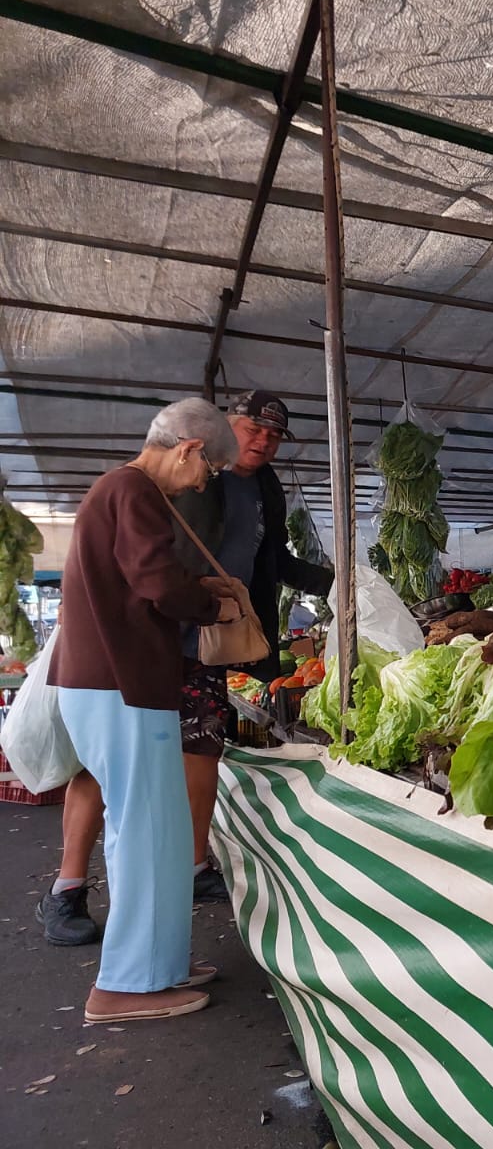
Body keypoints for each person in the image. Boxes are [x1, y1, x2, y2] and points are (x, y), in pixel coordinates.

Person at [37, 391, 335, 948]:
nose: (262, 442)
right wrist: (196, 600)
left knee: (202, 749)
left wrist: (337, 581)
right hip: (145, 640)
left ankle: (195, 867)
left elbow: (275, 562)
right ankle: (67, 888)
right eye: (253, 429)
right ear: (217, 433)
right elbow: (150, 565)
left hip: (209, 642)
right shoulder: (169, 480)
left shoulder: (264, 489)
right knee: (106, 765)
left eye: (274, 436)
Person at [47, 399, 242, 1023]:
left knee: (156, 832)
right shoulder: (132, 490)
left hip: (116, 685)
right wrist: (214, 607)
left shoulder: (118, 490)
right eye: (209, 467)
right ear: (188, 449)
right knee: (145, 833)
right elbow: (157, 582)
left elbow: (143, 582)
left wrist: (197, 592)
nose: (205, 481)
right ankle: (125, 984)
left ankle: (159, 965)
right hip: (119, 686)